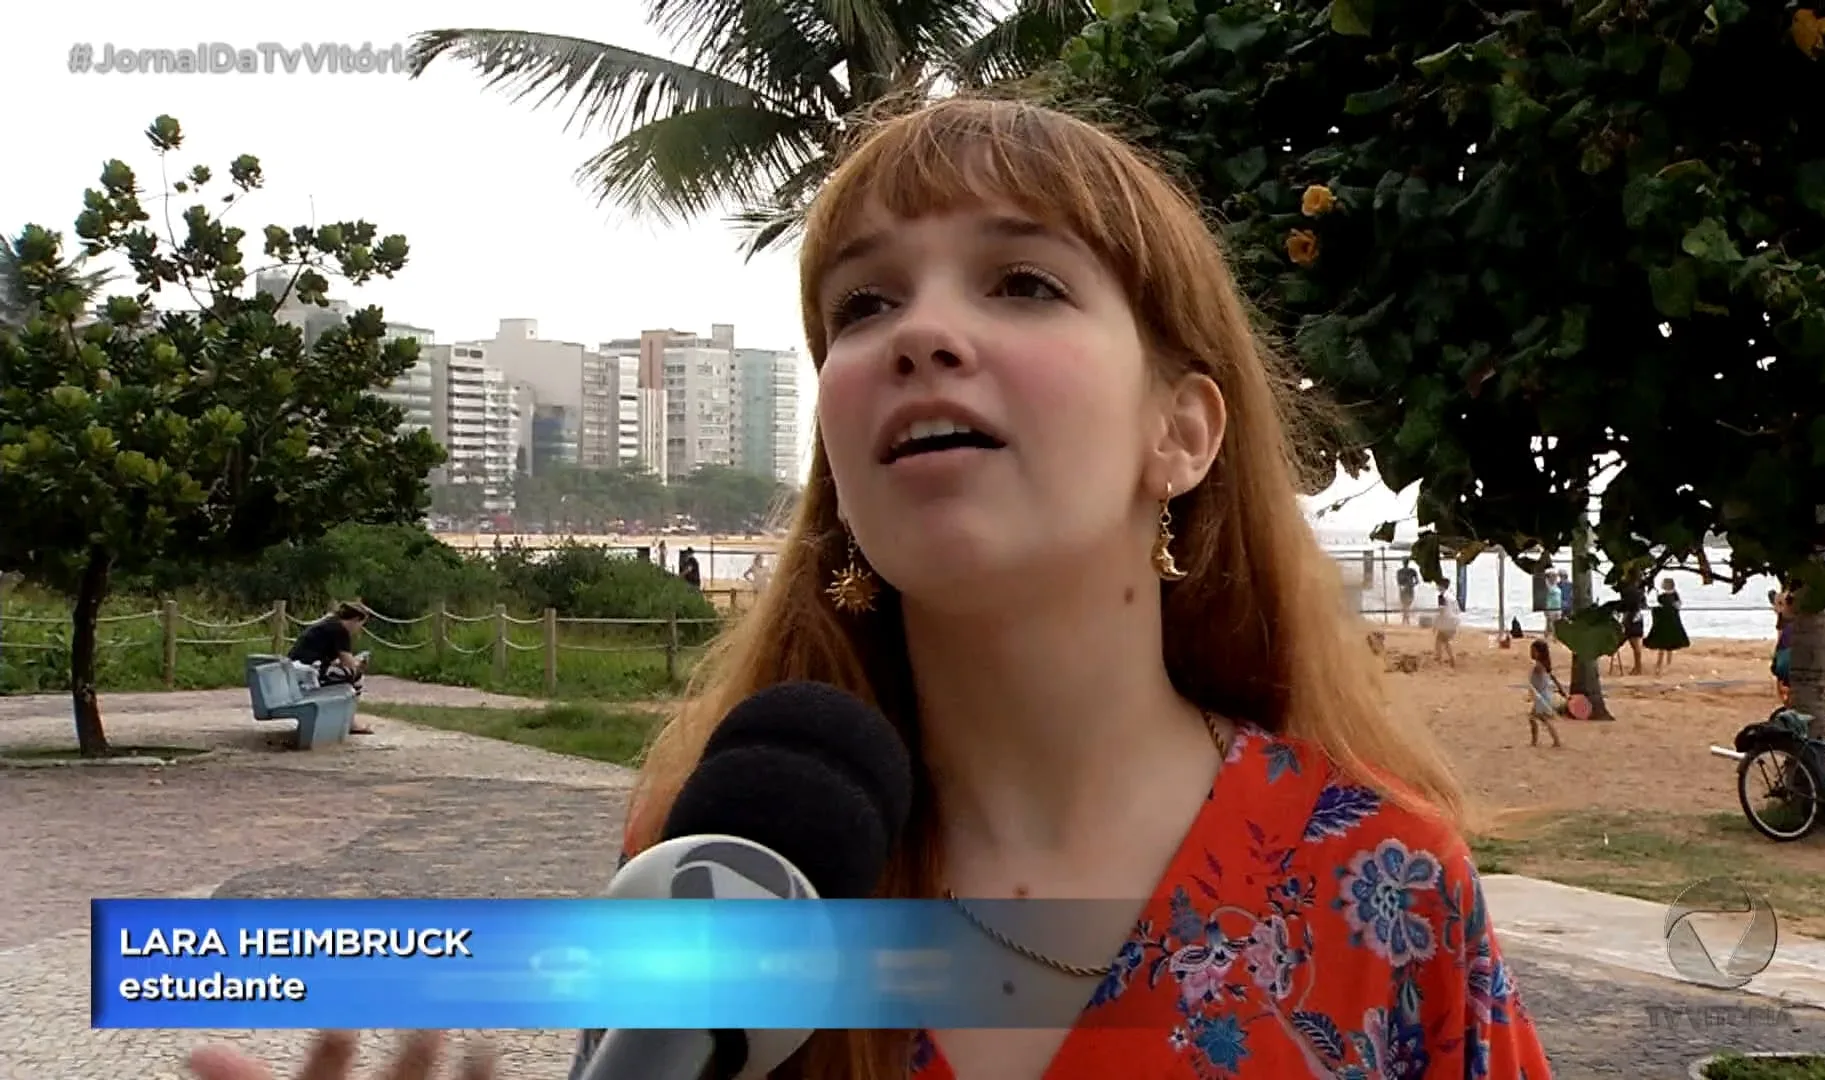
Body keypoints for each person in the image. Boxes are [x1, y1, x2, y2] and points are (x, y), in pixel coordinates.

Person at [189, 96, 1549, 1080]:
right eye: (862, 306)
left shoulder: (1383, 882)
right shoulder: (719, 860)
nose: (922, 336)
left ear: (1181, 432)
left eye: (1021, 281)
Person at [286, 601, 373, 733]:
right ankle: (351, 722)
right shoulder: (340, 630)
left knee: (343, 675)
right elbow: (349, 664)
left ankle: (344, 719)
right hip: (307, 676)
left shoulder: (330, 624)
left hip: (295, 673)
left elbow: (327, 659)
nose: (360, 629)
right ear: (355, 620)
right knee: (356, 677)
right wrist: (360, 663)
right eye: (362, 624)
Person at [1526, 639, 1565, 749]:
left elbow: (1538, 680)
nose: (1531, 653)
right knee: (1536, 718)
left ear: (1539, 653)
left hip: (1542, 696)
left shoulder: (1538, 666)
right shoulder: (1544, 665)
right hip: (1543, 695)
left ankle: (1553, 741)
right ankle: (1537, 741)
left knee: (1540, 719)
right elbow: (1552, 678)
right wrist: (1561, 689)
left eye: (1533, 651)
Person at [1646, 577, 1691, 672]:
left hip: (1664, 623)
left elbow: (1661, 608)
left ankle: (1660, 663)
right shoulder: (1675, 596)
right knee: (1669, 645)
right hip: (1673, 622)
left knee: (1662, 645)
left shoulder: (1663, 597)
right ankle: (1667, 663)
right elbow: (1677, 607)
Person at [1615, 572, 1647, 675]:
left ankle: (1638, 667)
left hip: (1631, 616)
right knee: (1635, 643)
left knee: (1634, 642)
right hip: (1634, 616)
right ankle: (1638, 667)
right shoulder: (1639, 589)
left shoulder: (1631, 590)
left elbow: (1628, 603)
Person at [1433, 585, 1461, 667]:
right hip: (1454, 620)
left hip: (1447, 620)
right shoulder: (1452, 596)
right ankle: (1450, 659)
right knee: (1444, 640)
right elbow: (1457, 610)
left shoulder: (1441, 597)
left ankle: (1440, 659)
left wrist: (1436, 624)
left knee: (1440, 640)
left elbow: (1441, 611)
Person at [1394, 557, 1418, 624]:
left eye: (1405, 562)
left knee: (1407, 604)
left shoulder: (1411, 571)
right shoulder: (1400, 571)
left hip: (1408, 589)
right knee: (1405, 605)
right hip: (1405, 589)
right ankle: (1406, 619)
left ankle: (1405, 619)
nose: (1405, 563)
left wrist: (1411, 584)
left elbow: (1416, 581)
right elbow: (1398, 582)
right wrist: (1409, 585)